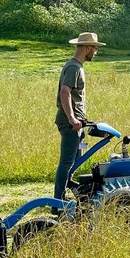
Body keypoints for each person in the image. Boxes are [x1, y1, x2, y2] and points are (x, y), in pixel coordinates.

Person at [54, 32, 104, 200]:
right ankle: (58, 203)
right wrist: (72, 119)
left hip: (77, 123)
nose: (96, 52)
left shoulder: (77, 66)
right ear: (88, 48)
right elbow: (65, 92)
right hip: (70, 124)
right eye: (95, 48)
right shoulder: (74, 67)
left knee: (76, 162)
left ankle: (74, 192)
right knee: (67, 164)